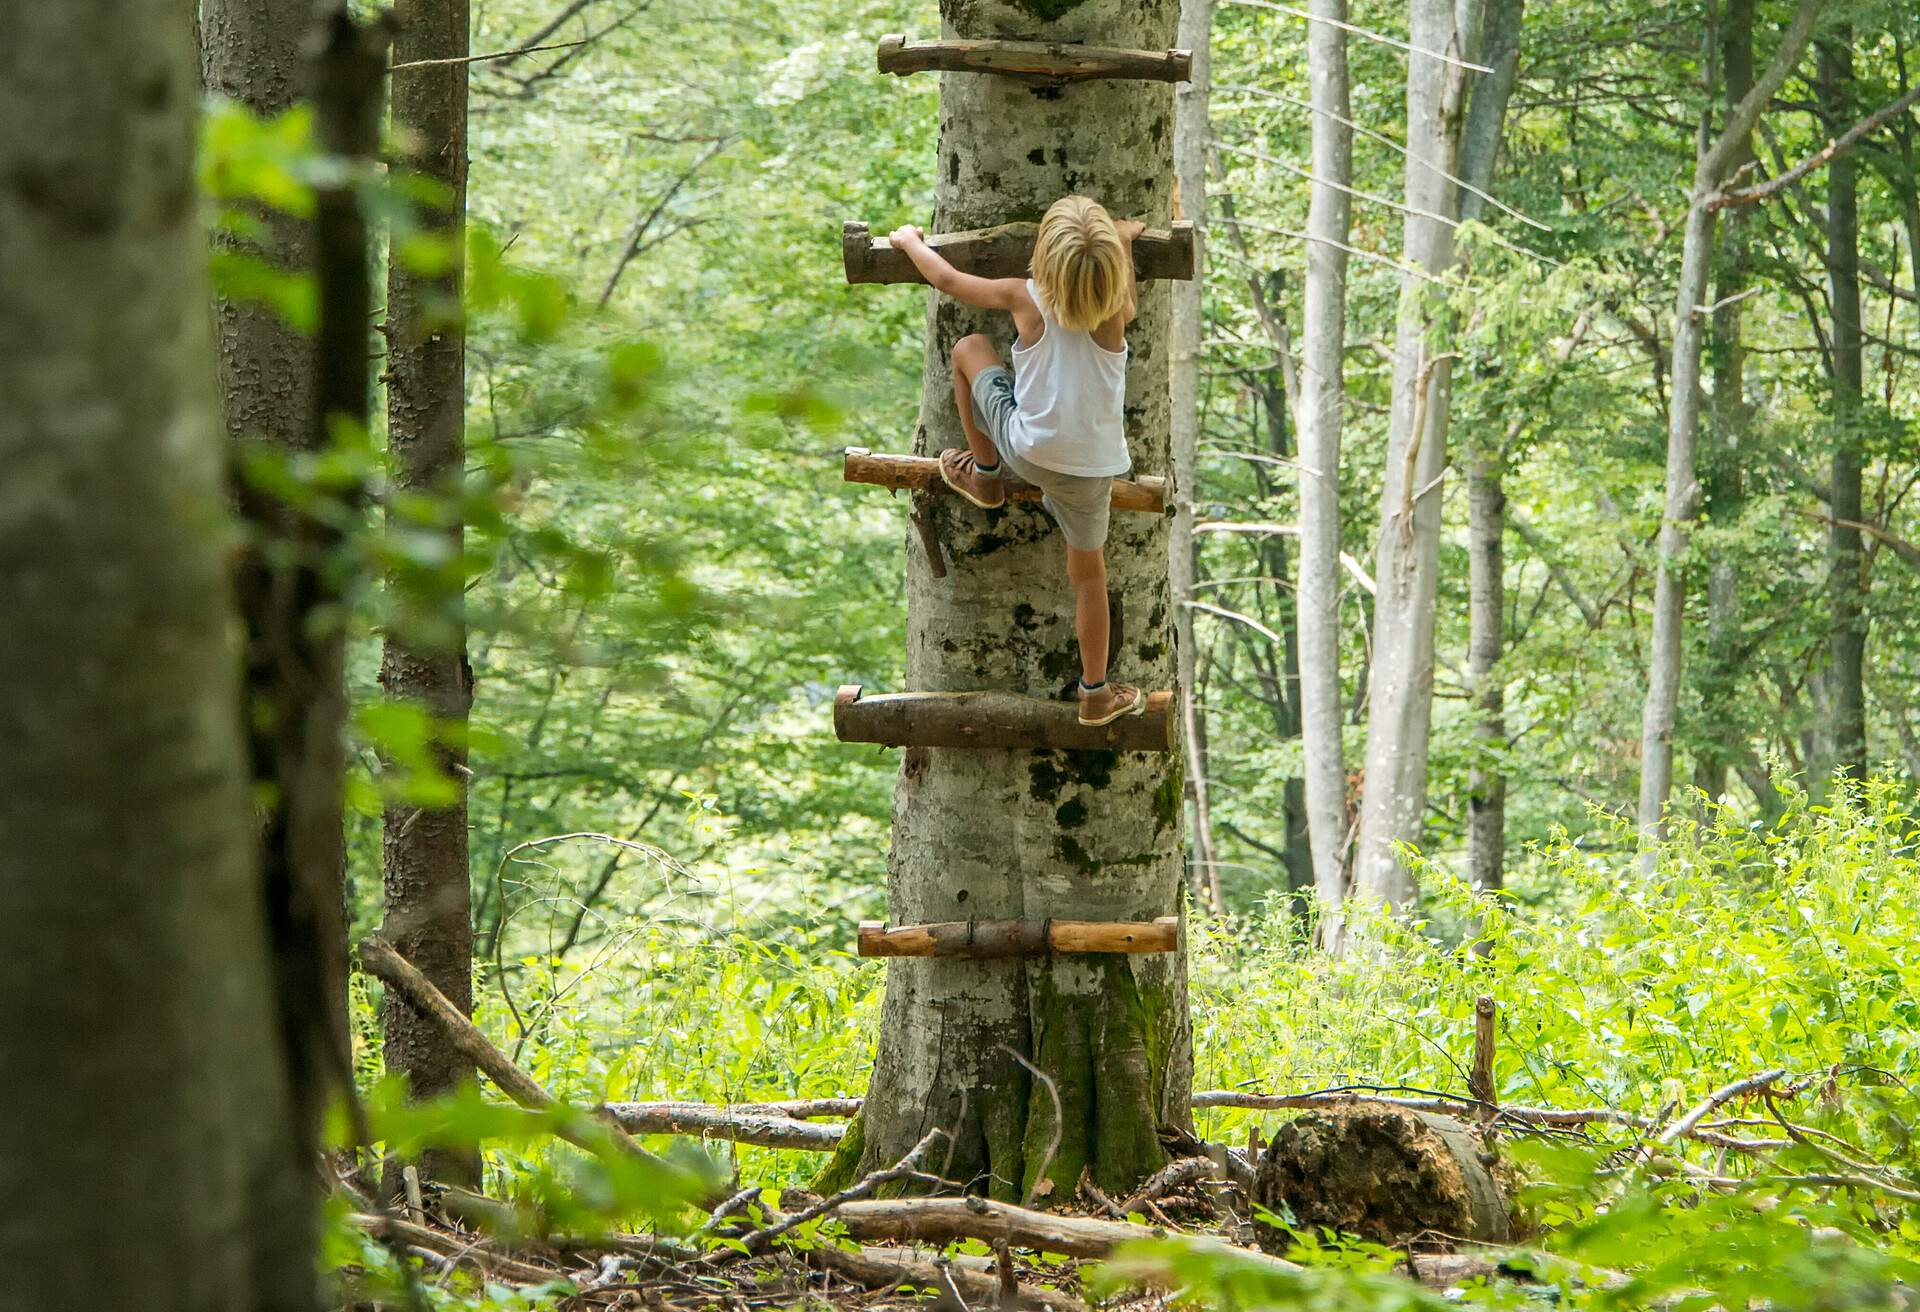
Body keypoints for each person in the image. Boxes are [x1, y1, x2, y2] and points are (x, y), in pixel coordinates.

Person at [887, 195, 1145, 727]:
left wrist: (910, 241)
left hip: (1026, 451)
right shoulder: (1116, 310)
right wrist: (1120, 239)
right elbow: (1124, 290)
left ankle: (985, 476)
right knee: (1088, 576)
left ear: (1044, 258)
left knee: (970, 348)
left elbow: (951, 282)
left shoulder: (1026, 297)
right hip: (1094, 469)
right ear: (1113, 271)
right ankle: (1094, 693)